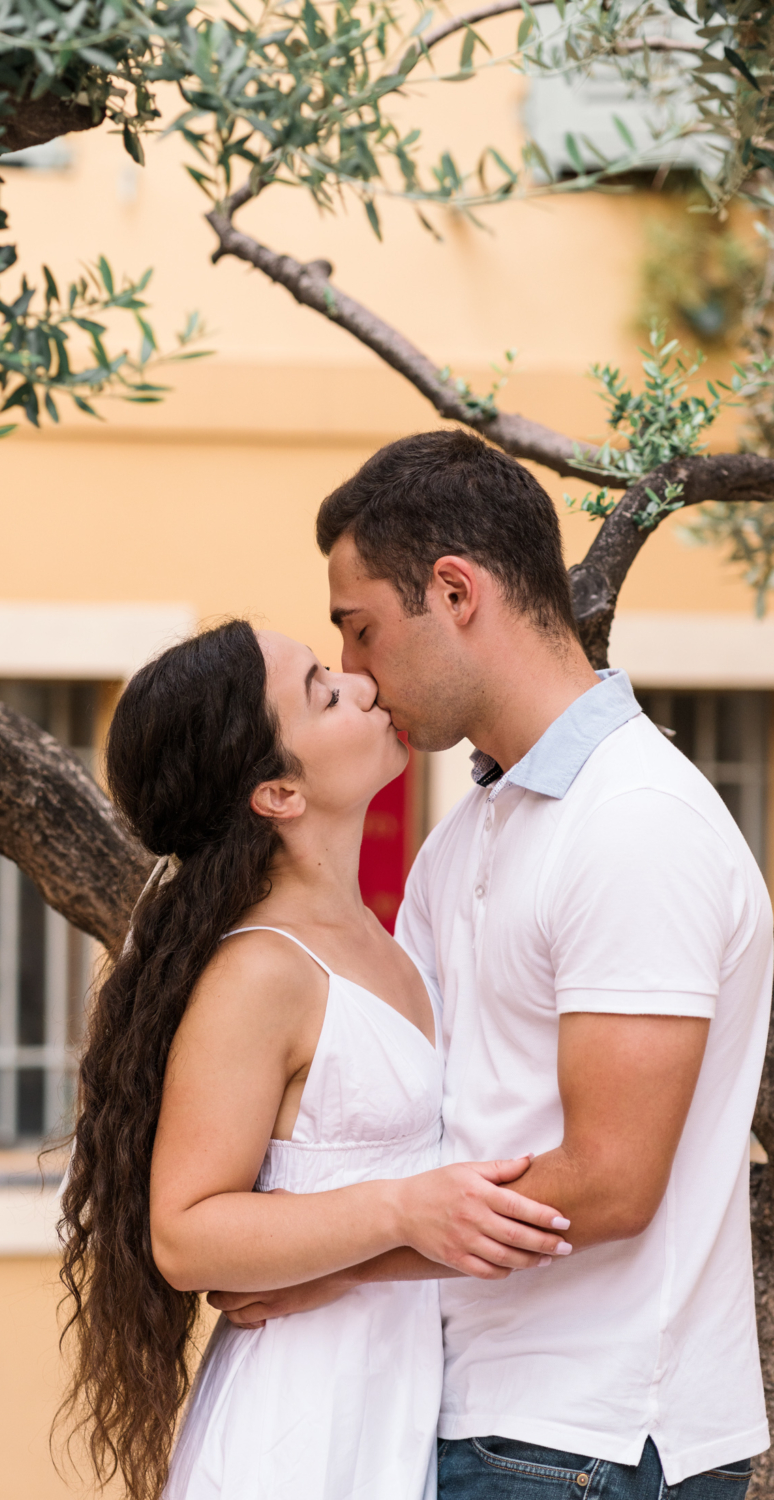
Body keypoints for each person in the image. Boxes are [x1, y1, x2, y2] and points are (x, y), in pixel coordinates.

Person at [210, 429, 774, 1498]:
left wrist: (328, 1264)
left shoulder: (635, 820)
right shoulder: (463, 840)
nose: (362, 681)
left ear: (456, 591)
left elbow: (610, 1180)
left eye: (364, 632)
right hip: (472, 1417)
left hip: (590, 1442)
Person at [57, 616, 572, 1500]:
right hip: (303, 1424)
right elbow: (184, 1233)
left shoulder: (386, 935)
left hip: (404, 1401)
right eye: (323, 691)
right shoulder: (261, 970)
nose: (363, 684)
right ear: (277, 794)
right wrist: (401, 1210)